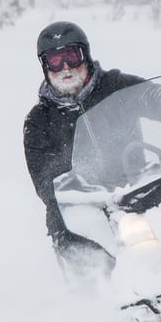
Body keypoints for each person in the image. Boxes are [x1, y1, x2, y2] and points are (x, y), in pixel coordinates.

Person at [23, 21, 145, 279]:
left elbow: (158, 98)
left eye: (71, 56)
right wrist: (85, 183)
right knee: (96, 275)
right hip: (78, 216)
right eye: (55, 61)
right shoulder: (38, 121)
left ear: (85, 56)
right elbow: (45, 183)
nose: (65, 68)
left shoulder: (117, 86)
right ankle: (95, 313)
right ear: (45, 66)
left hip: (141, 191)